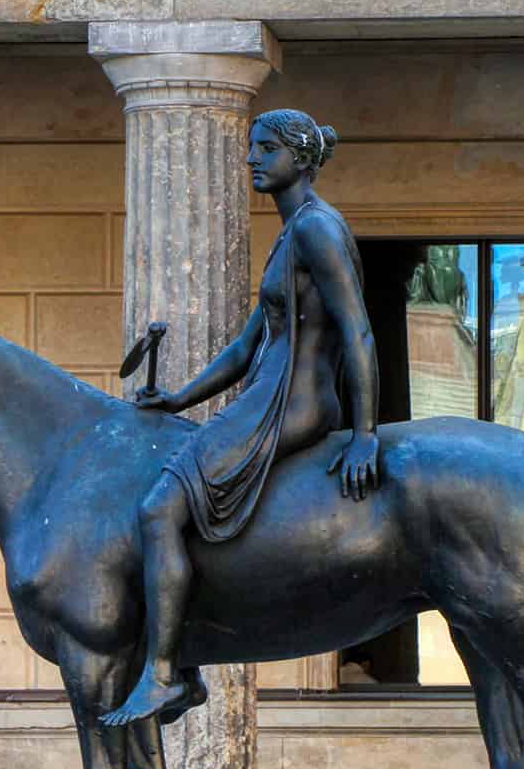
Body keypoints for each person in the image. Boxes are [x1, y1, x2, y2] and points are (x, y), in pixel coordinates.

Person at [101, 108, 380, 726]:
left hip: (294, 404)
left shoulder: (318, 232)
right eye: (253, 147)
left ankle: (168, 673)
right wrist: (178, 400)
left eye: (267, 148)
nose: (252, 158)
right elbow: (244, 347)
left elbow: (358, 332)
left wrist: (364, 434)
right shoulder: (290, 233)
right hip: (268, 394)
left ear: (300, 159)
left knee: (158, 509)